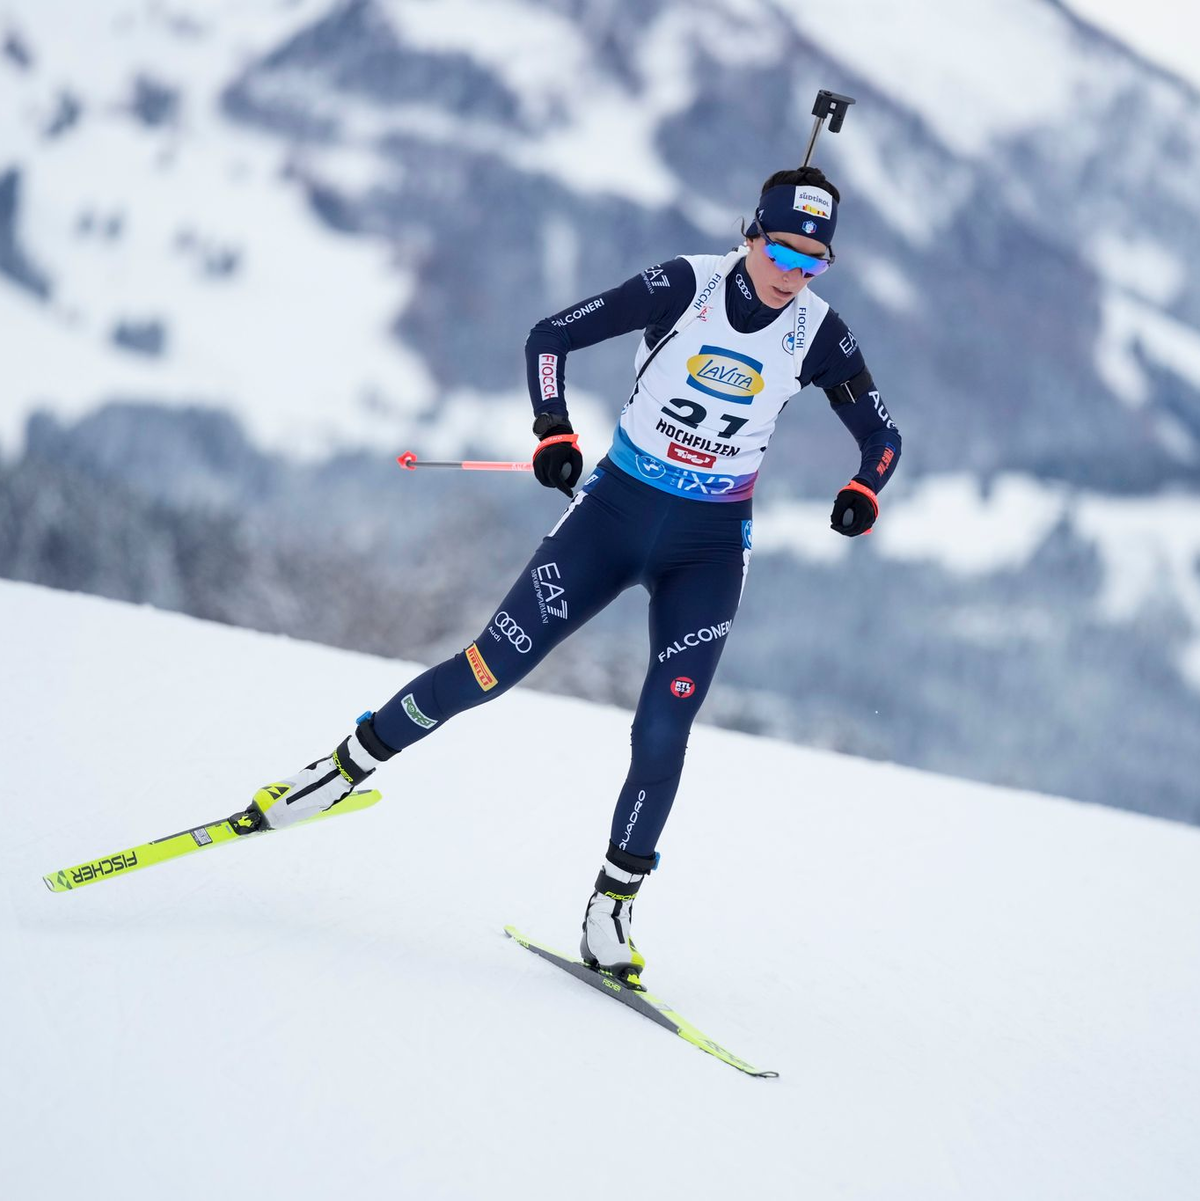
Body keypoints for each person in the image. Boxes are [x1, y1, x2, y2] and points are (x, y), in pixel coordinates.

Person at [249, 165, 901, 980]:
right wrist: (554, 429)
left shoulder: (819, 333)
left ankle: (611, 908)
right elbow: (548, 336)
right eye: (783, 253)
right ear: (751, 235)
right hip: (613, 516)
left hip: (708, 547)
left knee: (665, 725)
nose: (793, 276)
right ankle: (345, 766)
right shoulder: (682, 287)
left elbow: (882, 440)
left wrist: (862, 490)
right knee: (489, 666)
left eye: (814, 263)